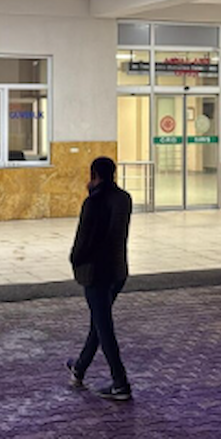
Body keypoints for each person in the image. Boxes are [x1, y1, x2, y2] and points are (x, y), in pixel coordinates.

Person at [66, 156, 134, 401]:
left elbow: (84, 238)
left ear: (94, 175)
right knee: (99, 322)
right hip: (117, 271)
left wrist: (75, 259)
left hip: (96, 273)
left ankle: (120, 382)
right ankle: (79, 367)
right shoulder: (124, 198)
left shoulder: (94, 202)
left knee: (104, 328)